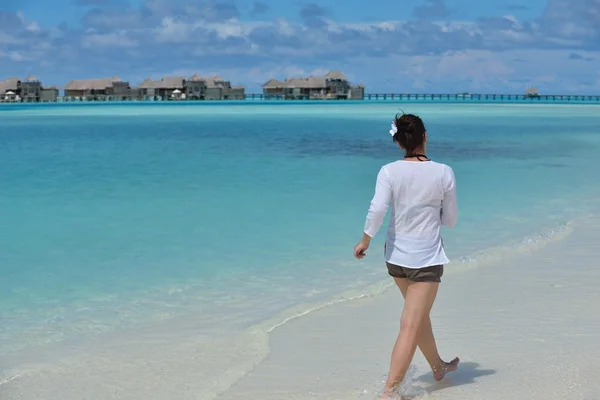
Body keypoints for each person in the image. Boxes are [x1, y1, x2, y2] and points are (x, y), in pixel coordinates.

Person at [353, 113, 459, 398]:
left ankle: (438, 366)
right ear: (425, 137)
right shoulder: (443, 172)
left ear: (399, 143)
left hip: (396, 258)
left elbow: (377, 210)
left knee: (417, 316)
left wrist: (365, 240)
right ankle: (390, 392)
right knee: (411, 323)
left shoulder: (388, 171)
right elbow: (450, 221)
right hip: (426, 259)